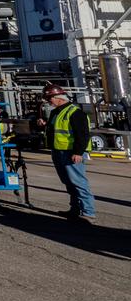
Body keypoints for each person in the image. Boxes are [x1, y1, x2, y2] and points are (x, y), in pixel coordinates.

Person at [41, 84, 96, 223]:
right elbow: (54, 129)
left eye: (49, 98)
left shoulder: (75, 113)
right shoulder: (56, 112)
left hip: (71, 153)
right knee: (68, 182)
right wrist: (43, 124)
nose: (48, 102)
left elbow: (82, 135)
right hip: (58, 151)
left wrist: (78, 152)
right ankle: (75, 209)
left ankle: (88, 212)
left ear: (58, 97)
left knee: (78, 182)